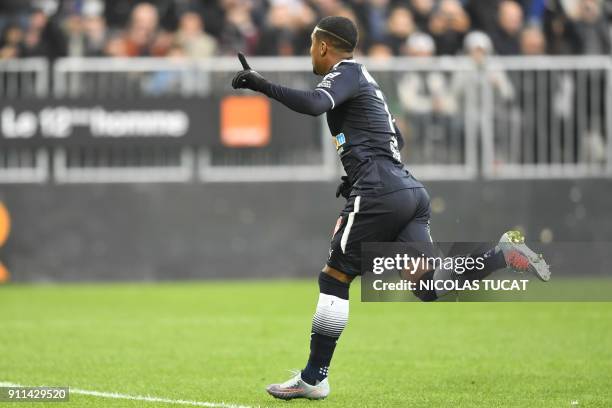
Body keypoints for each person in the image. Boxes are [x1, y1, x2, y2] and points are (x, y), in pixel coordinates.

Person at [231, 16, 550, 401]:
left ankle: (314, 378)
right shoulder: (366, 83)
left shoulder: (345, 73)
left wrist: (260, 84)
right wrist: (357, 173)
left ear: (322, 46)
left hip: (381, 191)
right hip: (408, 191)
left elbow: (315, 105)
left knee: (335, 277)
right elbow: (394, 135)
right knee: (429, 285)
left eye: (312, 45)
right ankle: (503, 254)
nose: (310, 53)